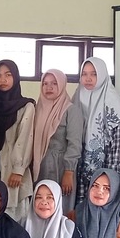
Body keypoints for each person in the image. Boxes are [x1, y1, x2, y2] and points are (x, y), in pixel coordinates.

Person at [74, 57, 120, 208]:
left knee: (105, 205)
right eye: (84, 74)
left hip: (108, 162)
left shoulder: (113, 101)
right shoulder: (77, 97)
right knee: (83, 209)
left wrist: (110, 174)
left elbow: (118, 141)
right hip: (82, 164)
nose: (88, 78)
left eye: (94, 74)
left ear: (103, 75)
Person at [0, 60, 35, 221]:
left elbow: (25, 137)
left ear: (16, 77)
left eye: (8, 75)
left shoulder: (26, 106)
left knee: (15, 217)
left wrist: (18, 169)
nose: (2, 80)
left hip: (14, 171)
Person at [33, 70, 83, 211]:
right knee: (41, 207)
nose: (49, 87)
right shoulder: (38, 109)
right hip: (40, 166)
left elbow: (74, 143)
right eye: (45, 83)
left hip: (61, 167)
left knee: (60, 208)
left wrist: (69, 171)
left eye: (54, 83)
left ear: (62, 85)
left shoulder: (71, 110)